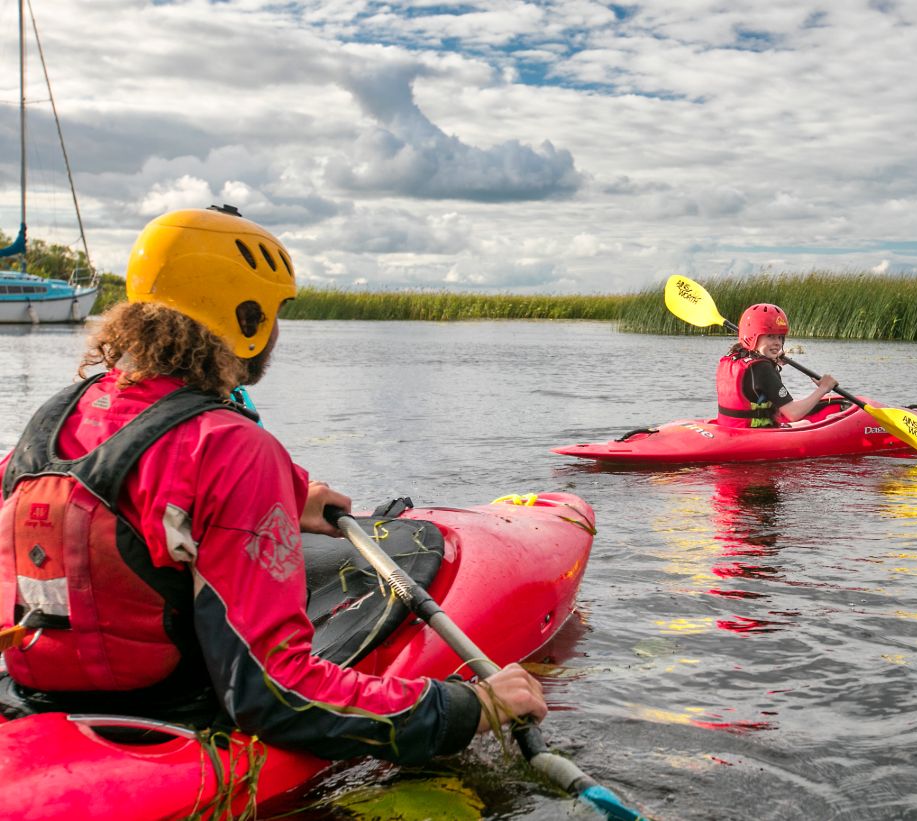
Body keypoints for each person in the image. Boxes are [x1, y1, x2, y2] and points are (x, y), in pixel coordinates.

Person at [0, 206, 544, 765]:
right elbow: (274, 696)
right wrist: (468, 707)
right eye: (277, 310)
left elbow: (119, 510)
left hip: (31, 706)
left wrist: (279, 500)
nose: (279, 330)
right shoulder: (230, 447)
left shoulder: (52, 419)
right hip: (168, 723)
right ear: (247, 314)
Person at [716, 303, 838, 428]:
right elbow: (793, 414)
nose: (777, 343)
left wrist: (773, 362)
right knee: (805, 423)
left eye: (780, 337)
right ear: (753, 336)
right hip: (754, 435)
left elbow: (754, 384)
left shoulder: (733, 357)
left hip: (729, 429)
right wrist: (823, 388)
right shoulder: (763, 368)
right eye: (770, 336)